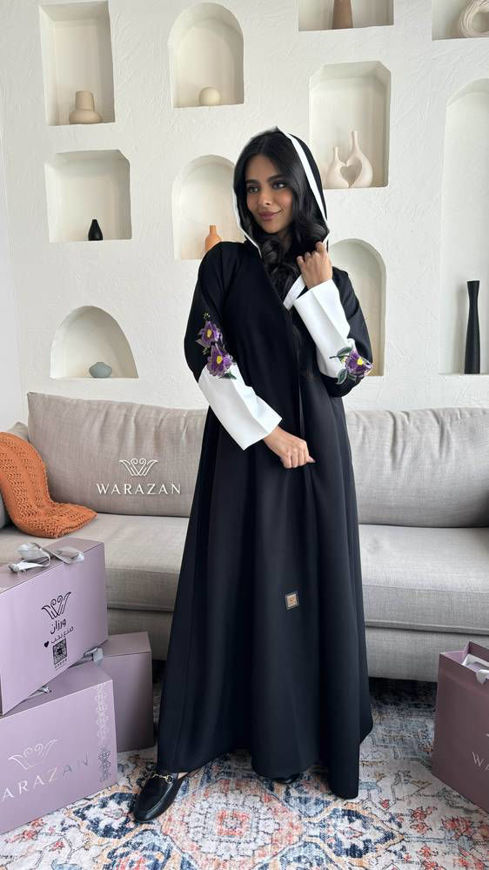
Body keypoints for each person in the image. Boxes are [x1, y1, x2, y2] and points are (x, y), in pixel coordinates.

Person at [133, 126, 374, 822]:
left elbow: (350, 371)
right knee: (225, 585)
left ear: (302, 189)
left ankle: (311, 739)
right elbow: (206, 348)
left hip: (317, 462)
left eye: (277, 184)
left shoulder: (333, 278)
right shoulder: (225, 265)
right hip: (246, 455)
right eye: (251, 187)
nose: (264, 199)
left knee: (309, 589)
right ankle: (182, 751)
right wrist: (269, 433)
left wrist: (320, 295)